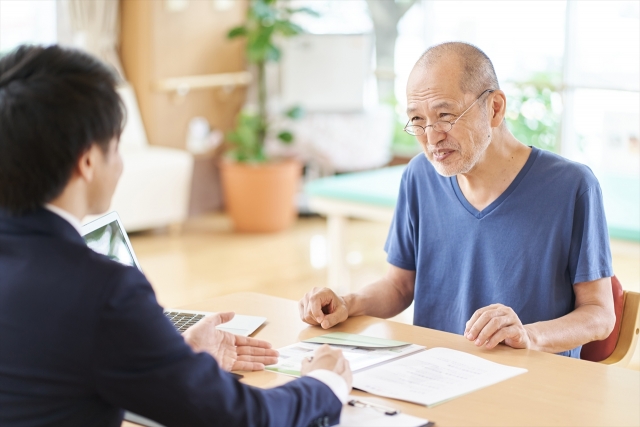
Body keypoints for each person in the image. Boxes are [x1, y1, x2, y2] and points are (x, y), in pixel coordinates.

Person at [0, 45, 351, 427]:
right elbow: (240, 419)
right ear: (87, 162)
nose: (121, 162)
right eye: (115, 146)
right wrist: (324, 383)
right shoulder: (104, 292)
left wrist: (176, 359)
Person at [299, 42, 616, 359]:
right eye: (418, 120)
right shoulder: (420, 176)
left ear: (494, 108)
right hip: (435, 377)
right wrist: (348, 302)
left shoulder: (572, 187)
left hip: (531, 389)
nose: (431, 136)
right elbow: (398, 286)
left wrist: (529, 336)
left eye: (445, 115)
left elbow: (600, 315)